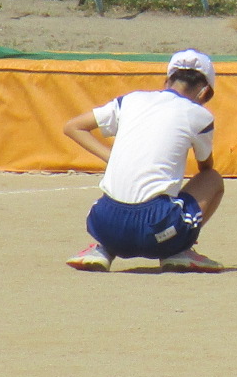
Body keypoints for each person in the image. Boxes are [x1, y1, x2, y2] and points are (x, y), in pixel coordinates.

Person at [61, 49, 225, 272]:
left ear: (167, 80)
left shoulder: (129, 100)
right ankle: (179, 249)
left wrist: (112, 158)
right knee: (213, 179)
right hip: (157, 230)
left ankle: (103, 249)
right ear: (204, 92)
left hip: (104, 225)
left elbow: (73, 127)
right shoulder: (199, 115)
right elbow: (205, 167)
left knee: (118, 198)